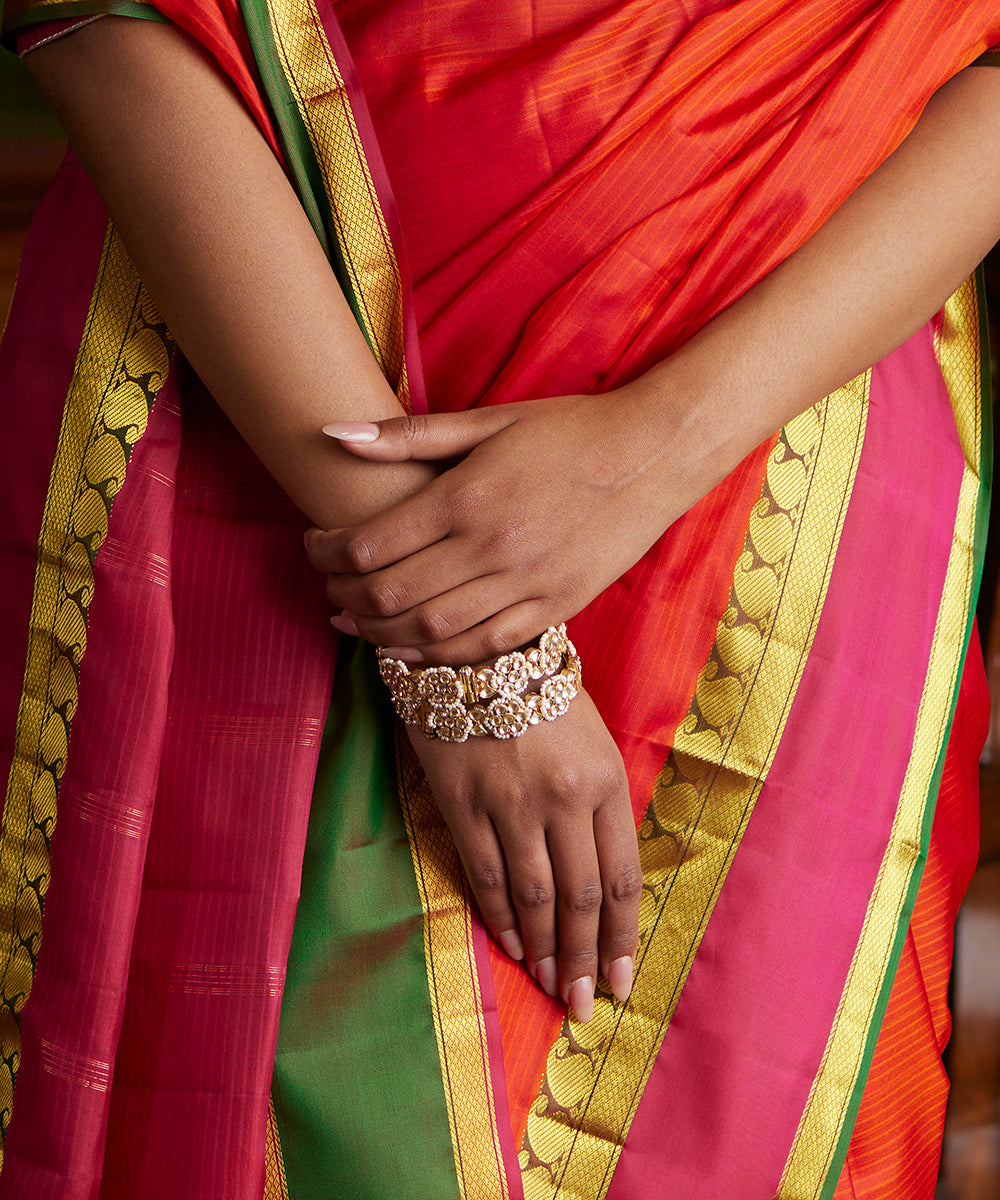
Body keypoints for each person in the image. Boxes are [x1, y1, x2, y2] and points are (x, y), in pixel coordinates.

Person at [0, 1, 998, 1197]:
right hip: (269, 390)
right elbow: (96, 18)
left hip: (783, 443)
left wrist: (660, 447)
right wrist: (460, 636)